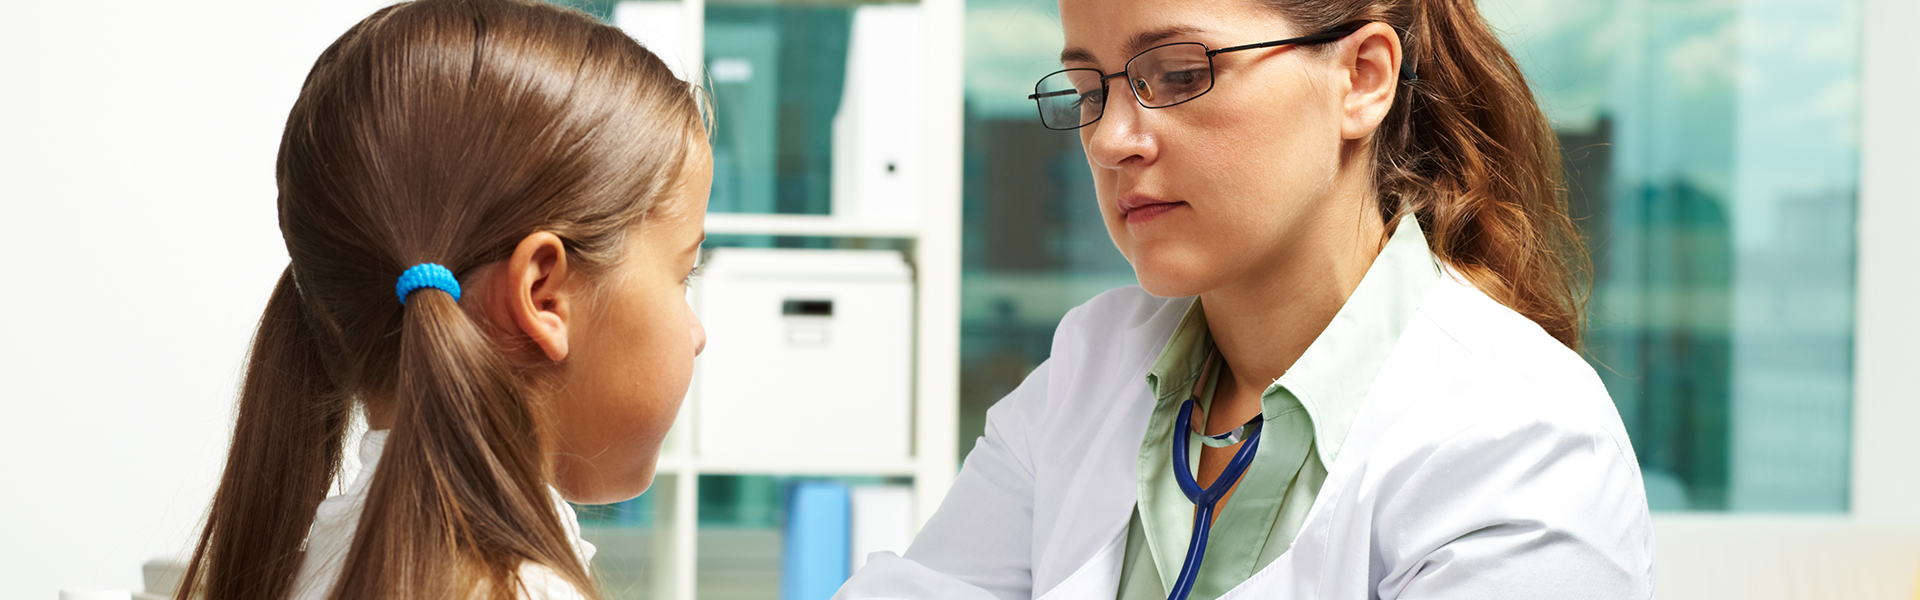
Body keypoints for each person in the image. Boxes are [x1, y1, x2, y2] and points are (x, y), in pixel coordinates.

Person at [838, 0, 1652, 597]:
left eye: (1179, 73)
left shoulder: (1520, 435)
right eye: (1090, 89)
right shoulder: (1089, 370)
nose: (1113, 138)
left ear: (1362, 79)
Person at [173, 1, 711, 598]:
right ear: (543, 294)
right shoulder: (519, 589)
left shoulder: (301, 572)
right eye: (684, 273)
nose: (697, 333)